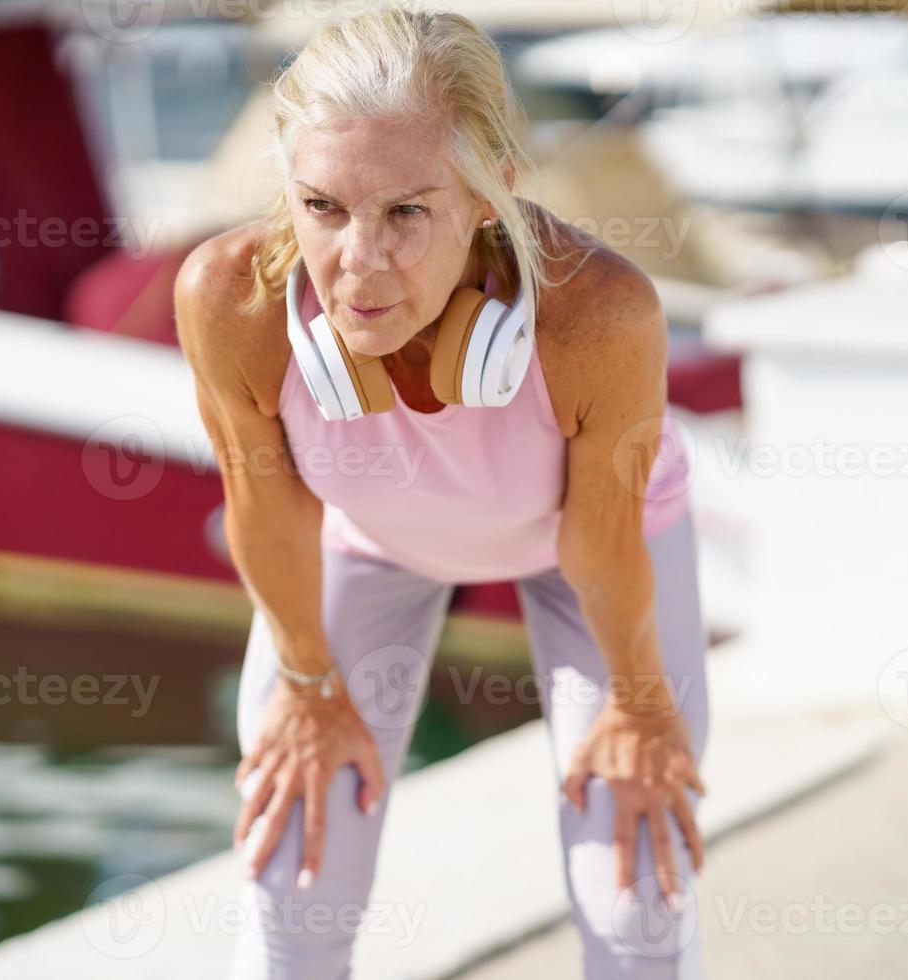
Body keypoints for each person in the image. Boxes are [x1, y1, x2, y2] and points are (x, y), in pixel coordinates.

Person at [174, 5, 710, 976]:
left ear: (491, 189)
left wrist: (639, 703)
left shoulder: (597, 314)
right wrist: (306, 682)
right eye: (324, 207)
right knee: (293, 874)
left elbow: (600, 545)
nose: (359, 262)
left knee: (631, 898)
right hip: (372, 546)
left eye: (408, 211)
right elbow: (270, 513)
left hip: (596, 561)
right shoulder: (232, 298)